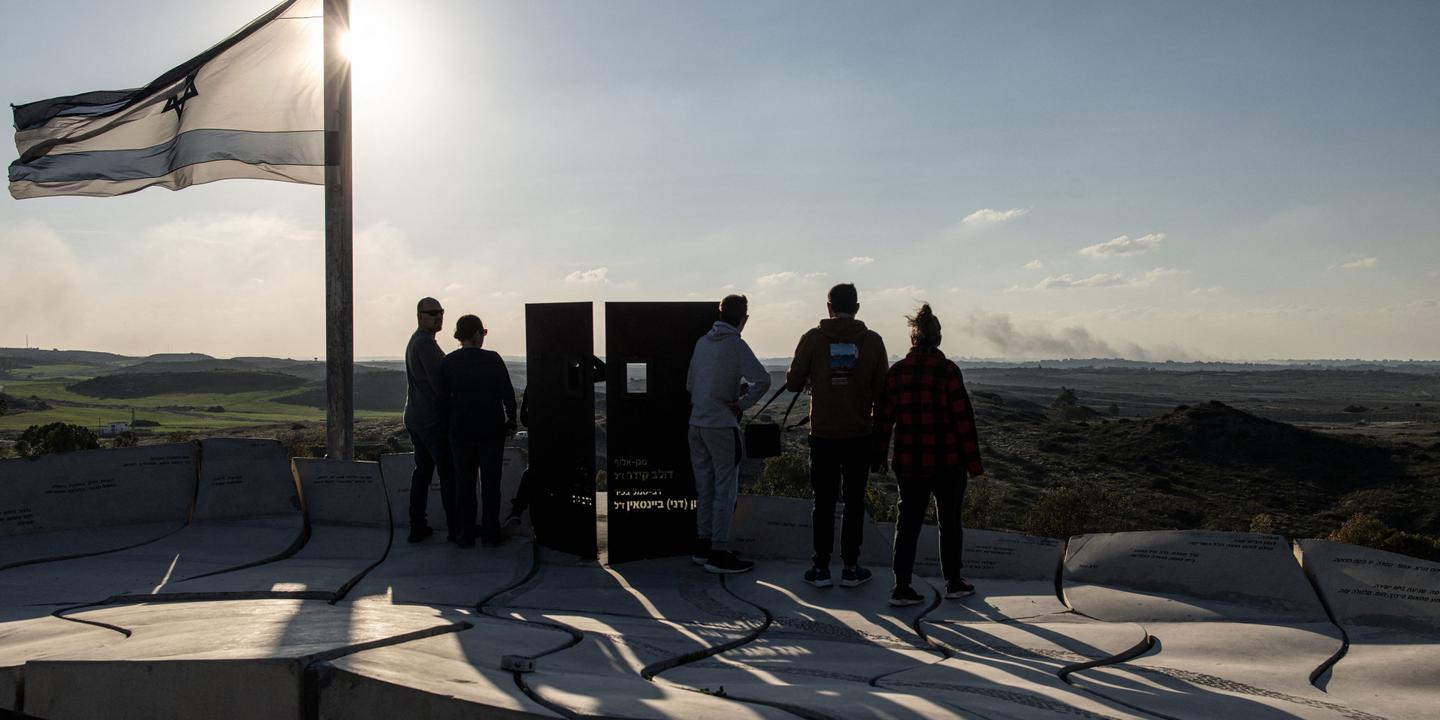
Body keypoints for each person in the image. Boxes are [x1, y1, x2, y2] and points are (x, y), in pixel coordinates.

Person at [872, 303, 984, 606]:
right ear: (938, 338)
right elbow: (964, 421)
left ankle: (902, 586)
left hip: (909, 461)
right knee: (950, 522)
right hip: (948, 461)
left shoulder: (896, 373)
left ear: (913, 339)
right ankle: (954, 582)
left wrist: (880, 456)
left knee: (907, 523)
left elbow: (883, 419)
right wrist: (973, 464)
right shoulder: (948, 371)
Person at [784, 283, 887, 588]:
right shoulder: (873, 341)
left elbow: (792, 383)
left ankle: (820, 567)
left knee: (824, 501)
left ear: (828, 306)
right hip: (859, 434)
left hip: (824, 433)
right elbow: (883, 391)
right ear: (857, 306)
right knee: (855, 501)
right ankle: (852, 567)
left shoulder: (813, 339)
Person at [687, 294, 770, 574]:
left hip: (696, 423)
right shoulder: (736, 345)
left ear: (719, 313)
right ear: (743, 319)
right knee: (725, 489)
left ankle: (703, 544)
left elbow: (690, 384)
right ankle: (719, 551)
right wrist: (740, 405)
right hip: (722, 425)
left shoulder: (701, 343)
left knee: (705, 487)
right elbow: (763, 380)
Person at [440, 314, 518, 548]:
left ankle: (465, 535)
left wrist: (448, 428)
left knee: (465, 485)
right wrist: (511, 420)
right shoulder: (493, 359)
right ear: (476, 334)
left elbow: (442, 400)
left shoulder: (448, 362)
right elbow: (508, 393)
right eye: (482, 333)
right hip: (490, 430)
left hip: (460, 431)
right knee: (491, 484)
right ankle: (490, 534)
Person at [403, 297, 455, 543]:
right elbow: (440, 386)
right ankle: (456, 528)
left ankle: (418, 525)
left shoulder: (418, 341)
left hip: (416, 418)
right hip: (431, 420)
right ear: (419, 316)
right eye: (433, 313)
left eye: (441, 312)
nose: (439, 317)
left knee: (422, 472)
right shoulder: (425, 344)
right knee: (448, 473)